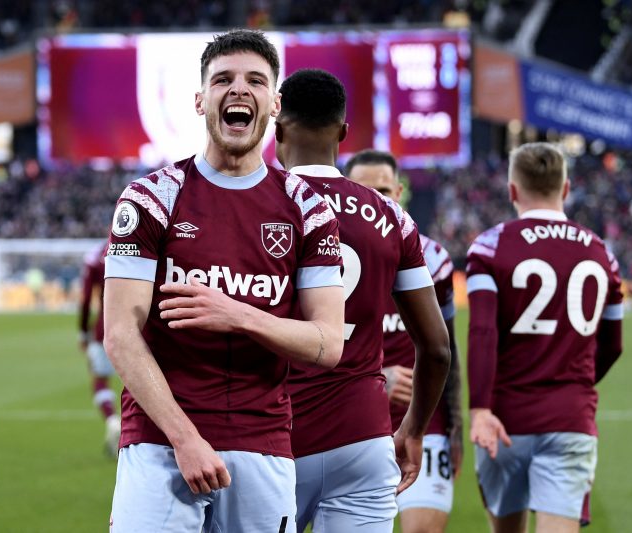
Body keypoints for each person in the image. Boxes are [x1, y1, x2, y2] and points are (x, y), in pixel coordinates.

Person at [103, 30, 345, 533]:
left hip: (263, 446)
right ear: (200, 101)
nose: (238, 89)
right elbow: (120, 334)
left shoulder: (309, 209)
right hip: (160, 444)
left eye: (255, 80)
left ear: (275, 104)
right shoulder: (150, 199)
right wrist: (184, 437)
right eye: (223, 80)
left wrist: (238, 315)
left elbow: (327, 344)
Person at [274, 68, 450, 532]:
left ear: (278, 131)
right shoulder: (392, 216)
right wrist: (413, 429)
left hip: (273, 436)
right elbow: (437, 348)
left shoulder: (256, 205)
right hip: (364, 438)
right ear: (343, 133)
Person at [466, 142, 624, 533]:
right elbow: (613, 345)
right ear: (566, 189)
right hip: (570, 416)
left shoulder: (491, 246)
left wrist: (480, 408)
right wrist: (574, 384)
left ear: (512, 191)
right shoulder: (601, 253)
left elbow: (482, 332)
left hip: (504, 418)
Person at [345, 149, 463, 533]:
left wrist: (455, 427)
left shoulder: (434, 259)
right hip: (353, 421)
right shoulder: (324, 255)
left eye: (383, 190)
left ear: (399, 192)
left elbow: (448, 350)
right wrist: (379, 377)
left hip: (423, 422)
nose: (374, 200)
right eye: (363, 190)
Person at [77, 239, 120, 457]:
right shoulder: (145, 244)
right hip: (142, 329)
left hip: (105, 328)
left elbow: (86, 299)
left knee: (100, 379)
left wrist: (83, 331)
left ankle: (112, 420)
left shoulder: (96, 256)